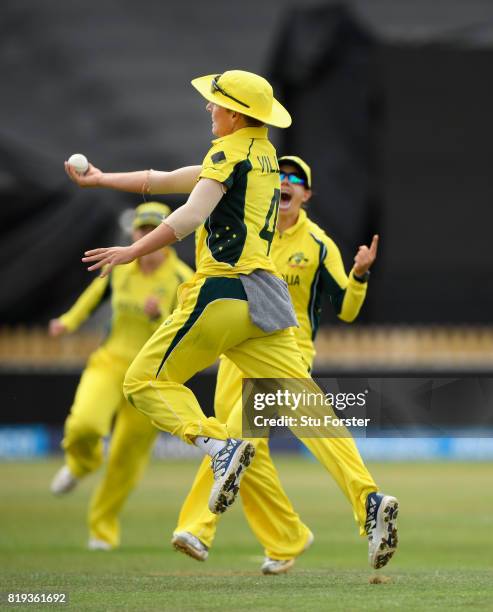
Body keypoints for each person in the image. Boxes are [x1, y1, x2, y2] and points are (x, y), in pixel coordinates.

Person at [65, 70, 398, 569]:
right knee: (313, 413)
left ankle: (219, 448)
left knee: (142, 382)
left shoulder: (229, 153)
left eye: (215, 103)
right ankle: (369, 501)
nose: (208, 109)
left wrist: (132, 250)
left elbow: (189, 215)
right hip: (268, 301)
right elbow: (171, 180)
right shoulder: (263, 154)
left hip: (222, 292)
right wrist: (103, 178)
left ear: (237, 113)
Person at [172, 155, 379, 574]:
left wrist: (358, 276)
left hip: (287, 349)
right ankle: (287, 538)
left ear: (306, 194)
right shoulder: (254, 229)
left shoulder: (317, 244)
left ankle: (198, 527)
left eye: (295, 180)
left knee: (235, 435)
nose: (284, 182)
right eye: (279, 176)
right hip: (239, 347)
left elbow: (348, 309)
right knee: (250, 451)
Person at [49, 202, 194, 550]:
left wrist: (160, 316)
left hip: (152, 379)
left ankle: (102, 531)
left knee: (125, 460)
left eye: (152, 231)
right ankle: (83, 462)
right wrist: (68, 321)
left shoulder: (183, 280)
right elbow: (94, 295)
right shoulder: (121, 266)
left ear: (167, 237)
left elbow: (191, 334)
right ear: (133, 234)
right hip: (111, 362)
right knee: (84, 425)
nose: (146, 237)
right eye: (141, 231)